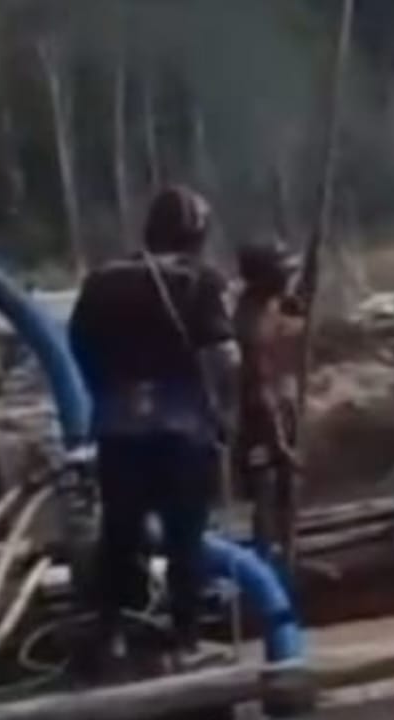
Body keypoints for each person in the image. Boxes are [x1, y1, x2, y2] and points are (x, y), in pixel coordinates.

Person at [69, 186, 239, 664]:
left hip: (118, 427)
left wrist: (106, 392)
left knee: (120, 532)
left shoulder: (101, 281)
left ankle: (113, 633)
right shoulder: (199, 281)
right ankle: (186, 640)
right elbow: (223, 355)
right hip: (182, 430)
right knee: (185, 535)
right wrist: (224, 409)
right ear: (196, 235)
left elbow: (78, 345)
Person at [233, 240, 307, 560]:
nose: (290, 277)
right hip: (261, 419)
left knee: (288, 492)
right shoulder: (250, 323)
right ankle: (269, 559)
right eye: (284, 273)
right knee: (267, 490)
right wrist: (279, 443)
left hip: (282, 409)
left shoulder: (275, 305)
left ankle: (286, 551)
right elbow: (259, 388)